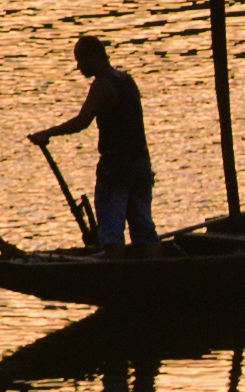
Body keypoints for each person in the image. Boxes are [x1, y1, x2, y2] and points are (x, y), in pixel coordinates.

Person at [30, 31, 157, 247]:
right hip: (141, 164)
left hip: (117, 168)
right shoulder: (127, 80)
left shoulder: (102, 85)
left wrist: (47, 133)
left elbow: (82, 122)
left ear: (93, 57)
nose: (78, 67)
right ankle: (152, 268)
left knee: (111, 233)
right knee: (143, 229)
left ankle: (113, 274)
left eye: (80, 60)